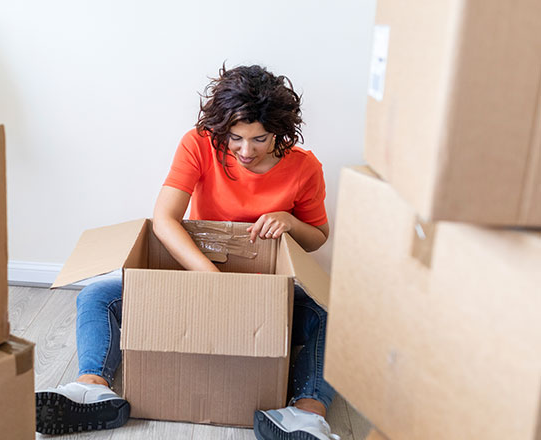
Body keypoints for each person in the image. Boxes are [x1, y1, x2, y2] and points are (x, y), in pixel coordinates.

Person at [35, 64, 339, 440]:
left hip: (267, 291)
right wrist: (210, 279)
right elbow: (164, 220)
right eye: (236, 137)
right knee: (98, 294)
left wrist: (289, 222)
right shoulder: (198, 143)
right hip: (196, 275)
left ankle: (306, 416)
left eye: (260, 139)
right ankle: (90, 387)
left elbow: (317, 237)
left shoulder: (304, 167)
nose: (246, 151)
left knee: (329, 313)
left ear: (280, 130)